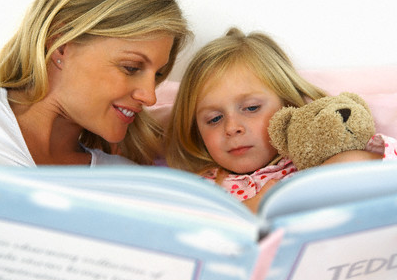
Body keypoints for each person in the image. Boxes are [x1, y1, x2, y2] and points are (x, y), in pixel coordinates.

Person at [0, 0, 190, 166]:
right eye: (131, 68)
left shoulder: (124, 181)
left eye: (158, 75)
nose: (150, 97)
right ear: (60, 45)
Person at [165, 28, 388, 213]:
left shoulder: (311, 162)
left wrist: (303, 192)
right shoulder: (199, 189)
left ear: (286, 106)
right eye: (214, 119)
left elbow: (376, 165)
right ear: (196, 131)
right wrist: (247, 212)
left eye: (251, 108)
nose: (232, 128)